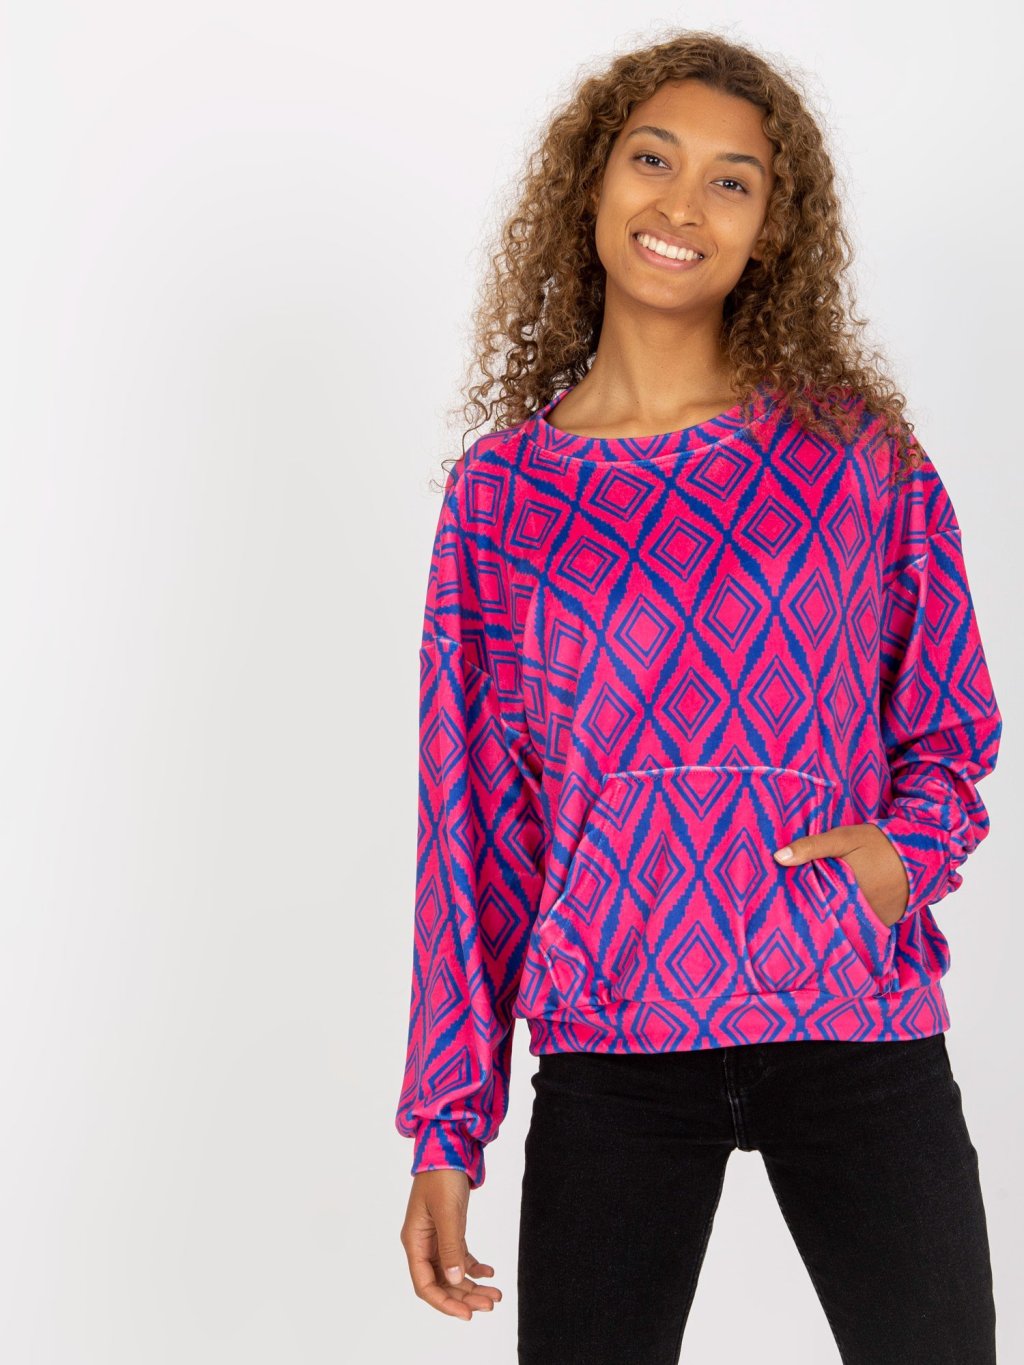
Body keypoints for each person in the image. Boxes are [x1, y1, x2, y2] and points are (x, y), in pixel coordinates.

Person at [394, 29, 1002, 1364]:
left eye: (734, 181)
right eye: (653, 160)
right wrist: (448, 1127)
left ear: (772, 231)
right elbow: (471, 825)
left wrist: (900, 861)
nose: (683, 203)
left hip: (853, 1019)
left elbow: (951, 723)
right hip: (614, 1044)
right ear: (592, 183)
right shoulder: (500, 497)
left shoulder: (857, 457)